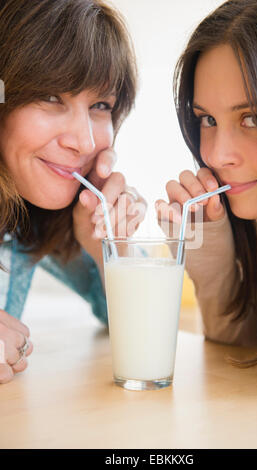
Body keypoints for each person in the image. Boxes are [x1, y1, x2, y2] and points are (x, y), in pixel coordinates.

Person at [0, 0, 146, 384]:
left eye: (100, 105)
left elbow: (139, 326)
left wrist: (104, 244)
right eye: (51, 96)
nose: (83, 142)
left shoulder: (27, 216)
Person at [156, 0, 257, 371]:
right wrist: (208, 248)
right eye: (207, 120)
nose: (218, 156)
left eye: (251, 118)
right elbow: (237, 350)